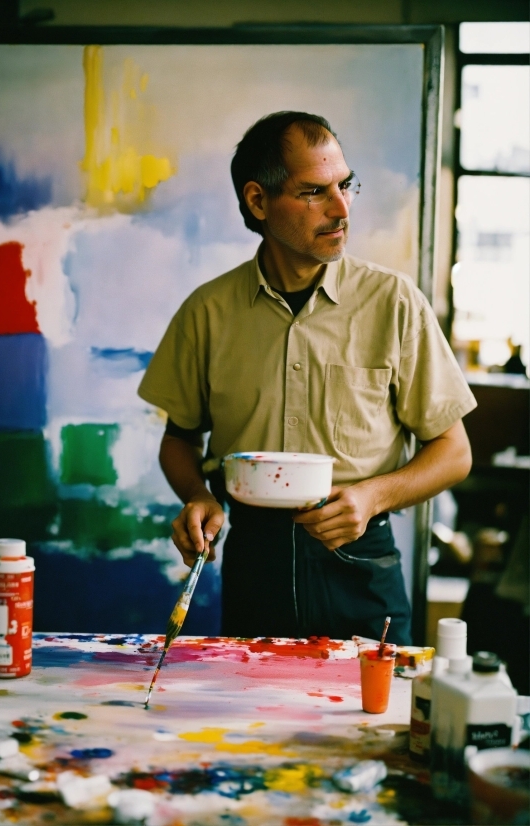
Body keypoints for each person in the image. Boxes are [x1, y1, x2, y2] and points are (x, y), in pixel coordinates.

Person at [138, 111, 477, 644]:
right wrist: (197, 496)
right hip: (255, 566)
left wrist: (372, 497)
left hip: (362, 566)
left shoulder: (394, 304)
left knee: (377, 726)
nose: (341, 209)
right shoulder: (207, 312)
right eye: (315, 191)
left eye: (345, 186)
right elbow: (178, 438)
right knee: (252, 724)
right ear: (257, 202)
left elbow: (455, 453)